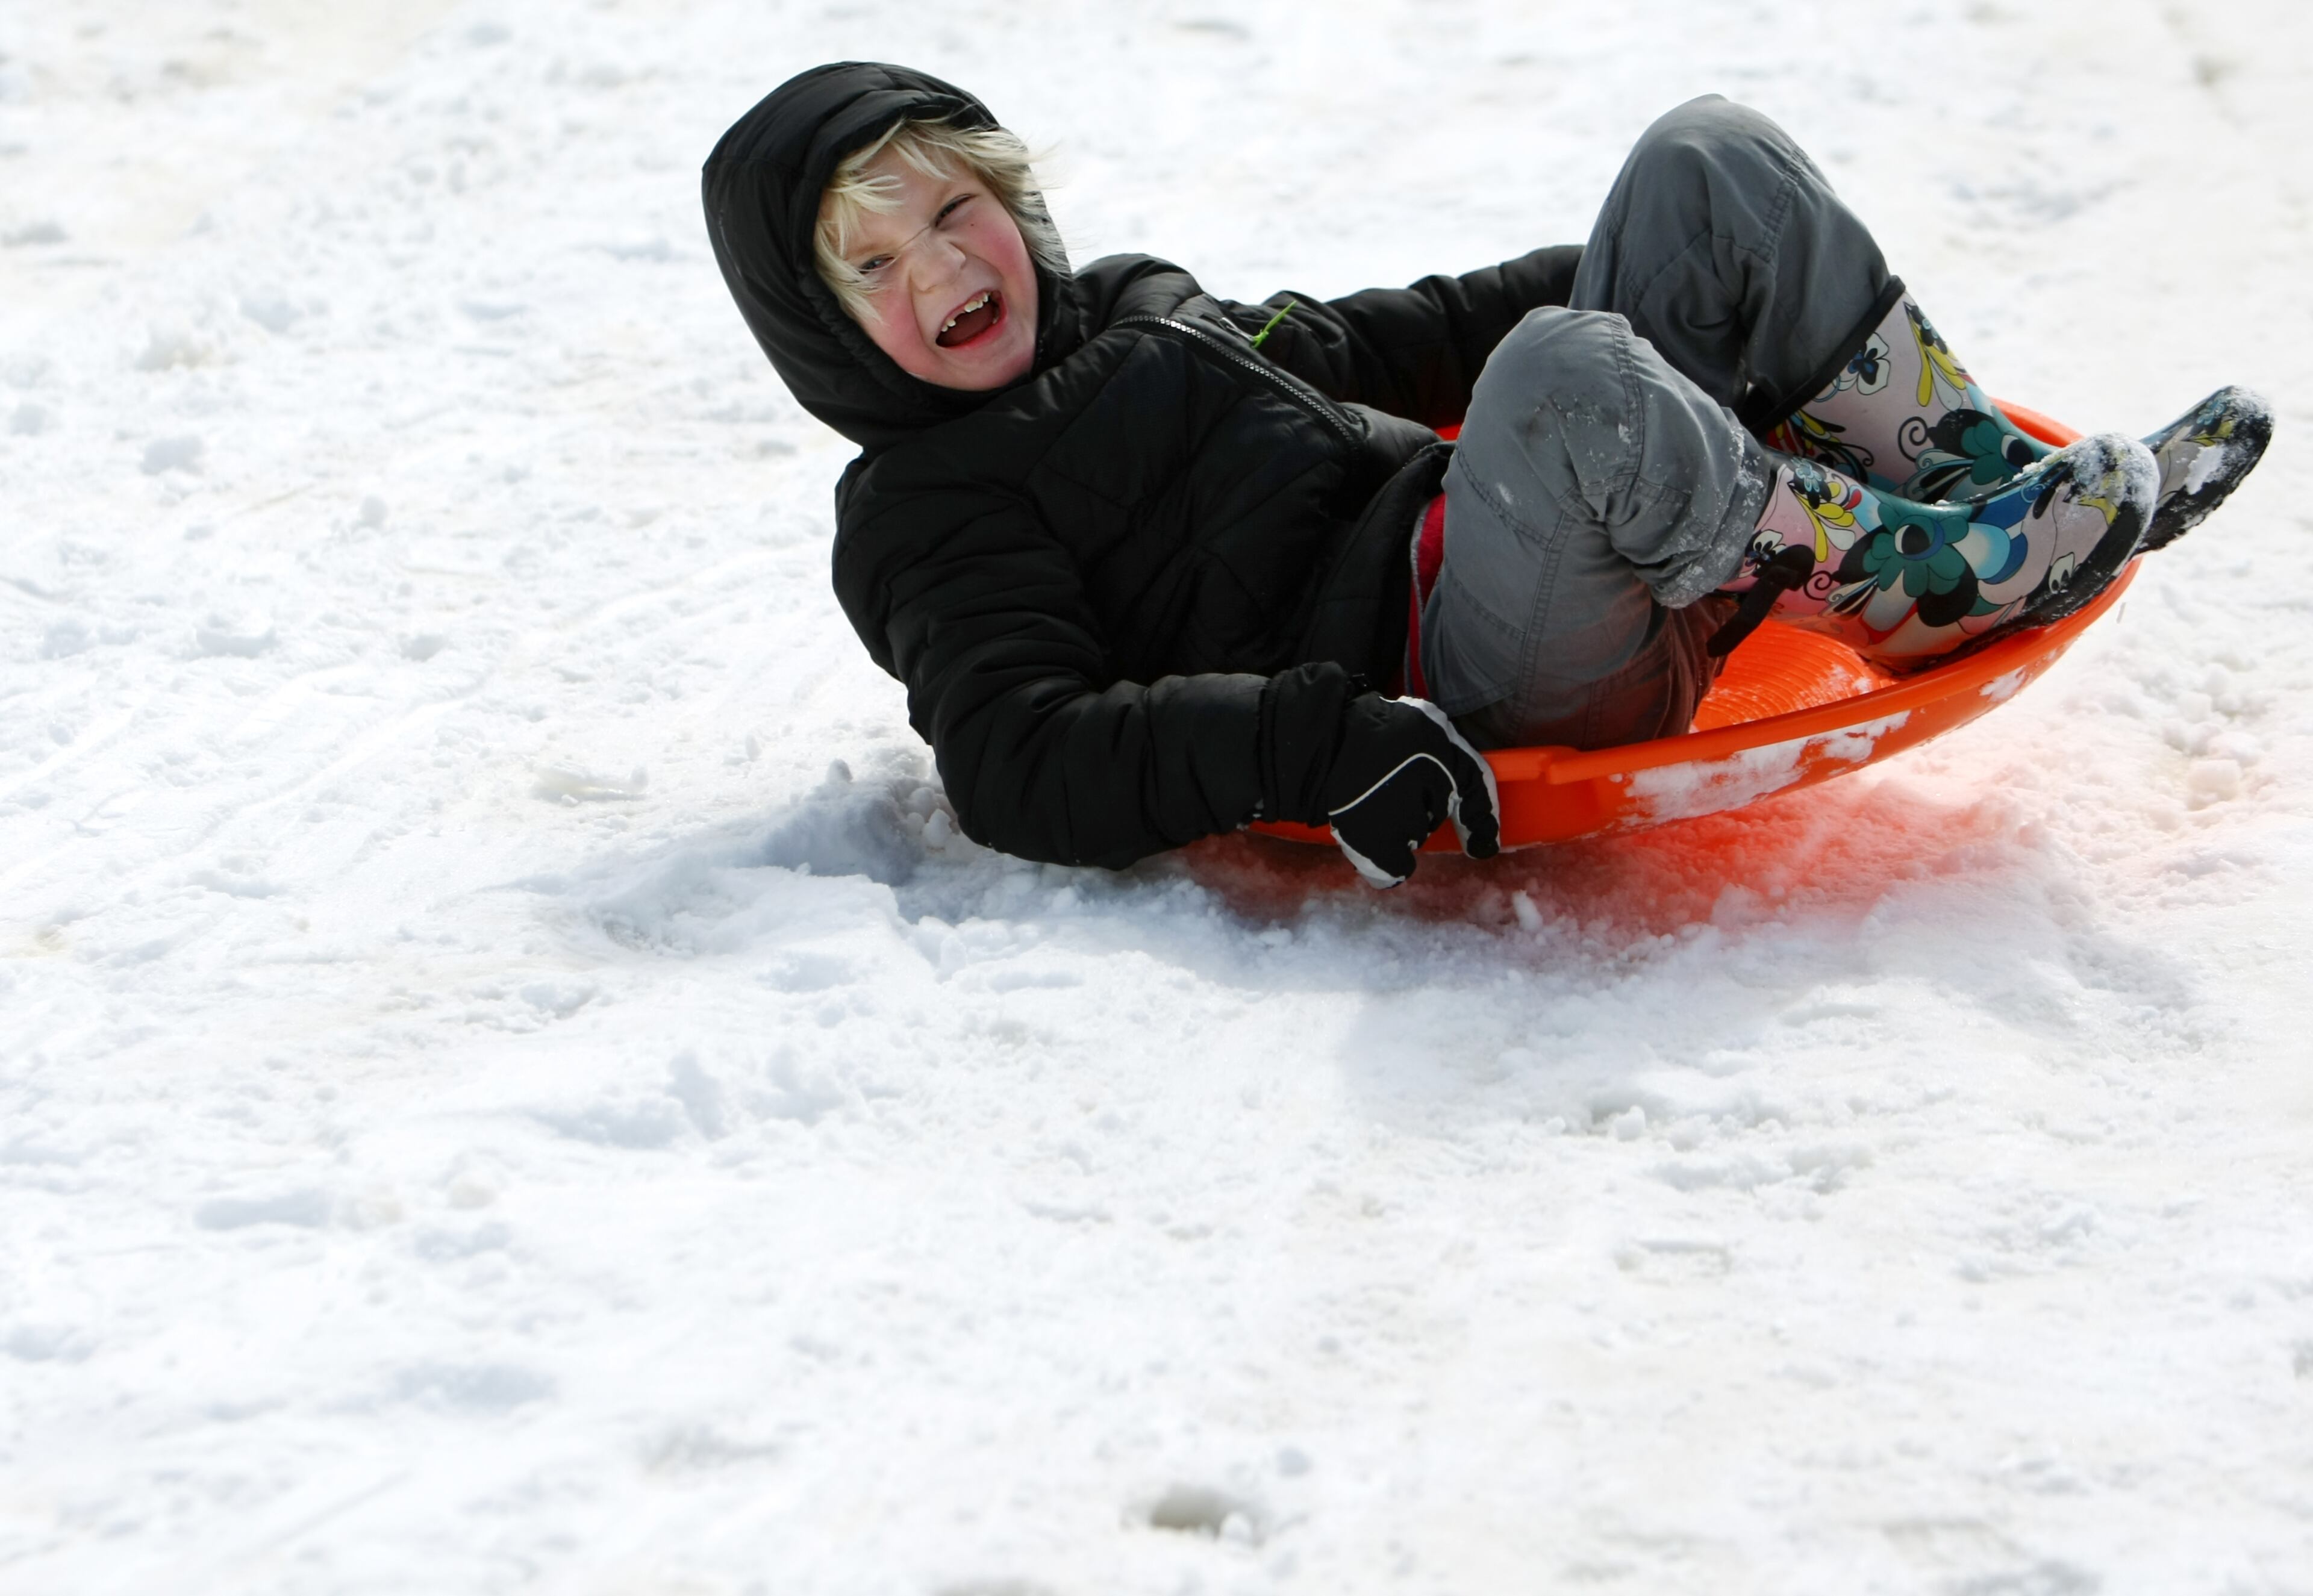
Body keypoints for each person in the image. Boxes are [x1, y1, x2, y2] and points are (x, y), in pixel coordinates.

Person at [701, 63, 2270, 888]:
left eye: (952, 209)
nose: (942, 268)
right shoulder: (933, 510)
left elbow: (1428, 332)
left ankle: (1964, 478)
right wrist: (1316, 745)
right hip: (1468, 678)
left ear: (1011, 199)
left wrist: (1651, 288)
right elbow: (1016, 755)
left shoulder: (1144, 305)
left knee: (1703, 160)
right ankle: (1916, 590)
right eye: (874, 264)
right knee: (1558, 381)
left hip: (1520, 551)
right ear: (829, 337)